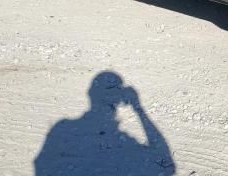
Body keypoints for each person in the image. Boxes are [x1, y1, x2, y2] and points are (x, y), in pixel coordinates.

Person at [34, 71, 174, 175]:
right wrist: (139, 109)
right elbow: (166, 163)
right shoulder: (63, 128)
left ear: (90, 94)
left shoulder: (61, 129)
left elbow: (41, 165)